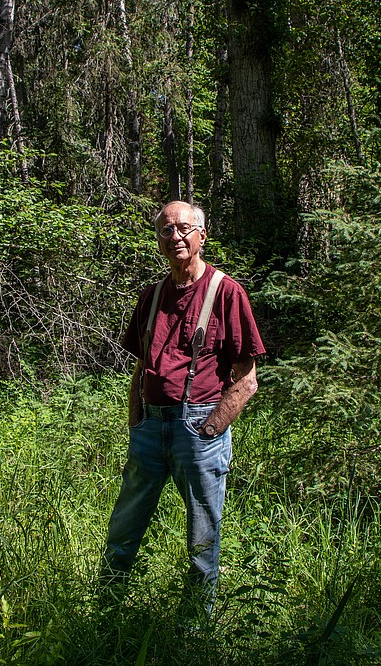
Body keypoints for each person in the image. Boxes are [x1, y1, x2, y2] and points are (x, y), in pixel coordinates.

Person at [101, 200, 265, 613]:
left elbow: (246, 379)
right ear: (158, 240)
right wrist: (136, 418)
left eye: (183, 228)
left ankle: (195, 629)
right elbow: (140, 367)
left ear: (202, 235)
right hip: (150, 430)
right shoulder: (152, 296)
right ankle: (105, 611)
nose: (175, 236)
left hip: (199, 428)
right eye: (165, 230)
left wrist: (210, 429)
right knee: (123, 529)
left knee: (201, 541)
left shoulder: (226, 292)